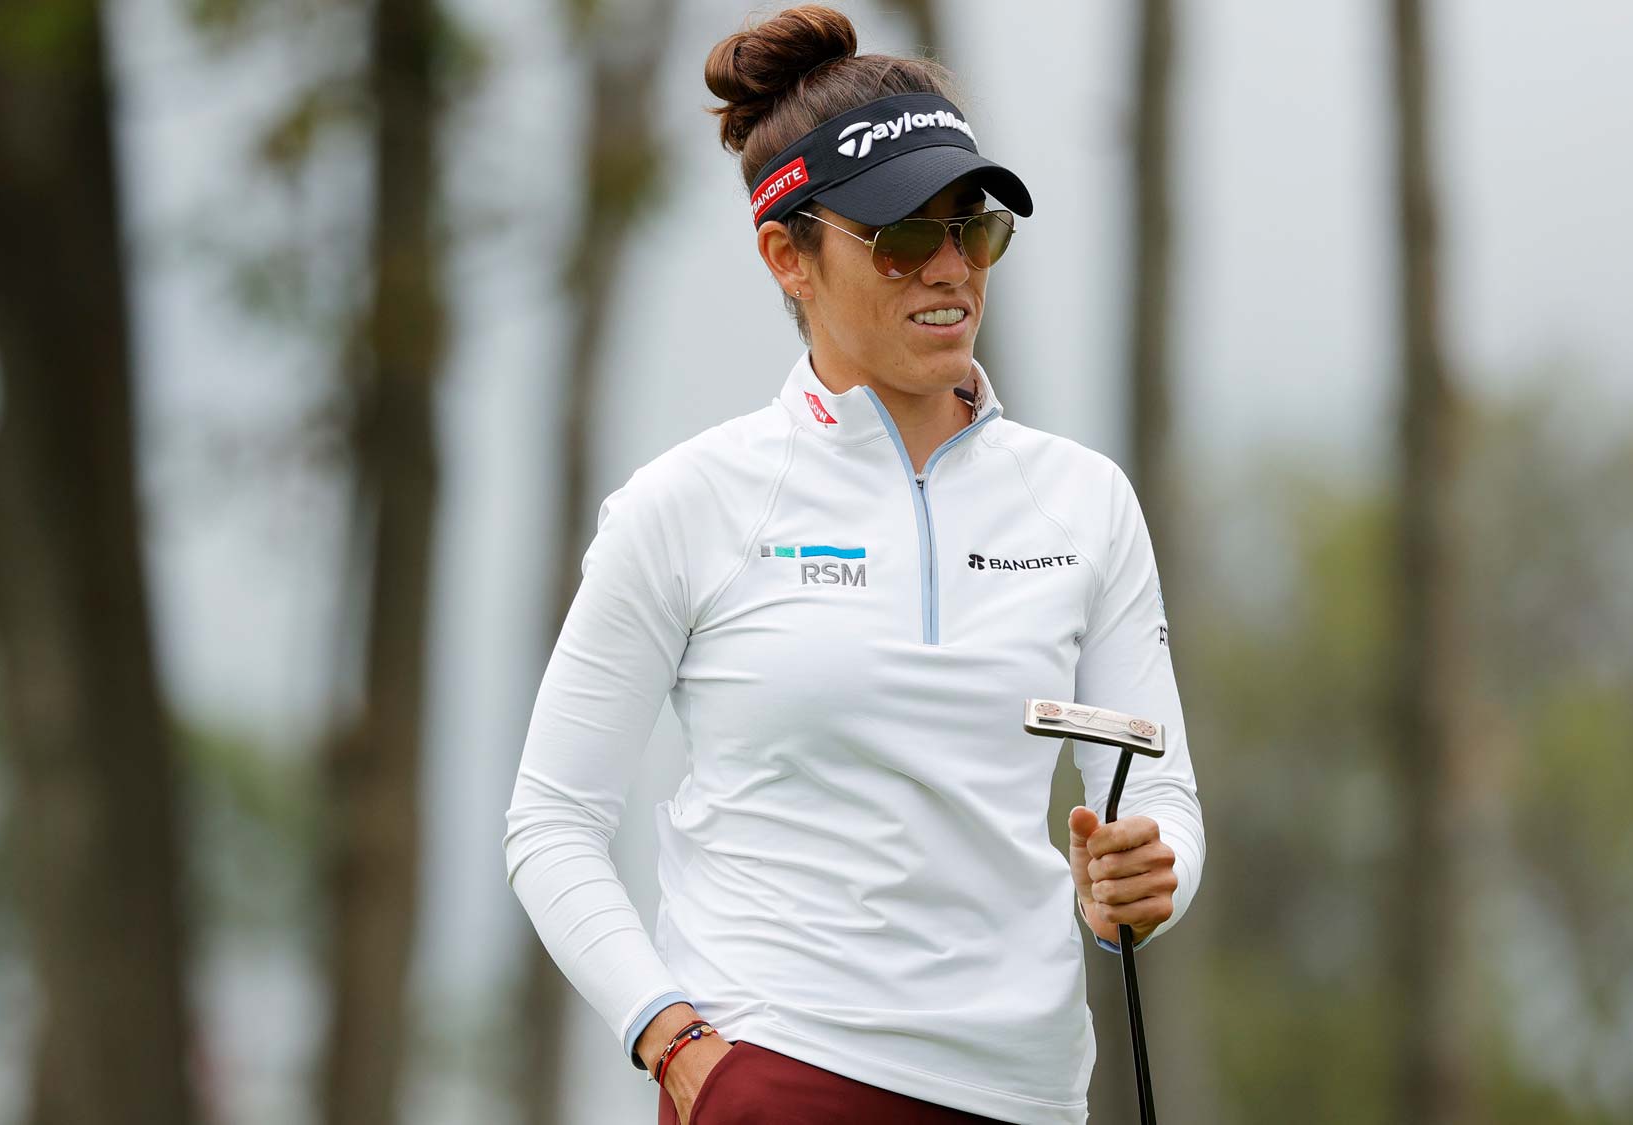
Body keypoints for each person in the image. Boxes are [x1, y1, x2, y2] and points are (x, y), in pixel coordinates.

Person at [502, 6, 1204, 1123]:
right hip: (780, 1075)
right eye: (898, 236)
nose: (948, 267)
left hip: (1028, 1096)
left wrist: (1147, 871)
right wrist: (674, 1041)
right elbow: (550, 822)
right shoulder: (687, 504)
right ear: (788, 255)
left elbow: (1154, 785)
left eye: (968, 228)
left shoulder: (1083, 500)